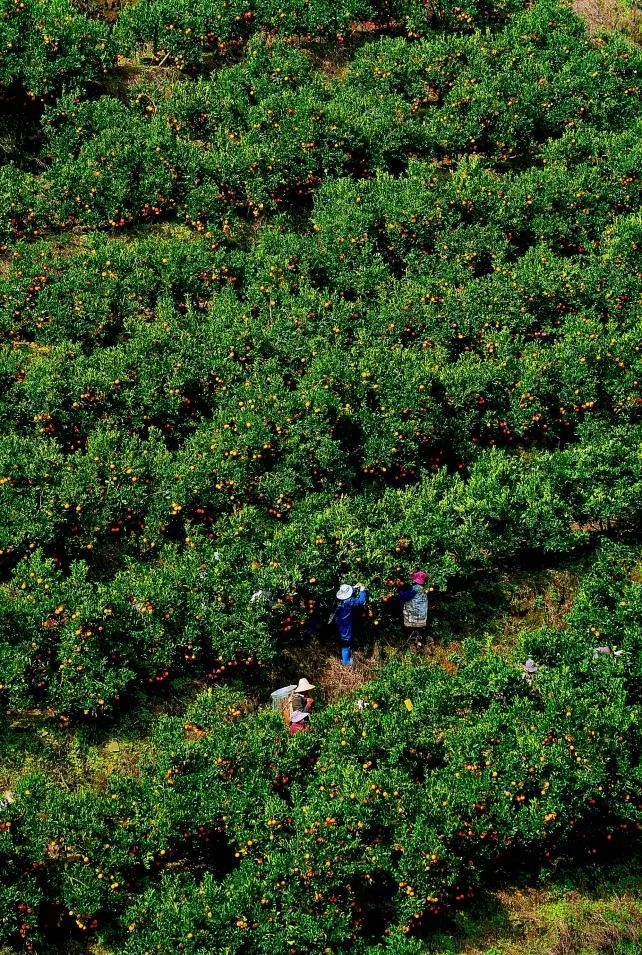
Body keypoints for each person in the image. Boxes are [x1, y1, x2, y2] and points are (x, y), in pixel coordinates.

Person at [334, 583, 367, 666]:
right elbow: (360, 601)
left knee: (343, 642)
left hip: (339, 623)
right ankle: (346, 662)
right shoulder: (349, 601)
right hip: (345, 626)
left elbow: (347, 592)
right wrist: (362, 591)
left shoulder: (340, 601)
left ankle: (344, 659)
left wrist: (354, 588)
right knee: (346, 643)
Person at [397, 571, 429, 647]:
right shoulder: (422, 589)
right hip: (422, 615)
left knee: (409, 629)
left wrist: (399, 591)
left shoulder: (415, 588)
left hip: (414, 615)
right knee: (418, 630)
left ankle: (411, 643)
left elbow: (405, 596)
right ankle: (419, 642)